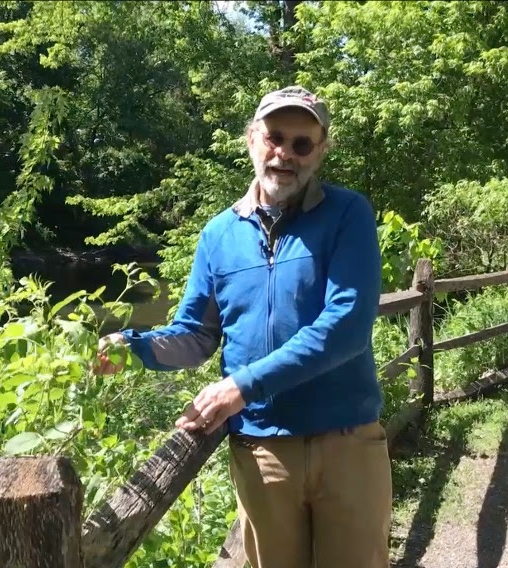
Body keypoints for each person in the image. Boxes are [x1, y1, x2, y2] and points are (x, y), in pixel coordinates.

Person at [94, 86, 391, 568]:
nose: (285, 154)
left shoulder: (347, 214)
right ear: (251, 140)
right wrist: (131, 347)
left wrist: (242, 386)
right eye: (275, 137)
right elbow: (196, 336)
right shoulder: (218, 234)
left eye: (302, 144)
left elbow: (346, 327)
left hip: (348, 441)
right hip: (262, 448)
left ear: (321, 151)